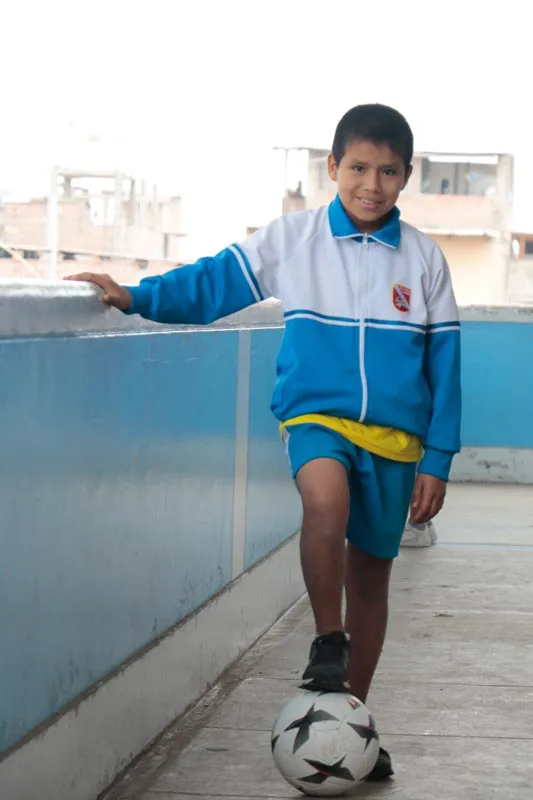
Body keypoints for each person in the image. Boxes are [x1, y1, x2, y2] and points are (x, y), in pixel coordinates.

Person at [65, 104, 461, 781]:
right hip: (317, 417)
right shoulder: (292, 240)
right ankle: (325, 642)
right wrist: (134, 295)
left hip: (397, 440)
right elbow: (211, 284)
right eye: (358, 168)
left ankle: (351, 725)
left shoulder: (422, 258)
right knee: (323, 504)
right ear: (332, 168)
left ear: (405, 176)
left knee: (371, 583)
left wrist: (438, 456)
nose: (371, 184)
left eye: (387, 172)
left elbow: (444, 365)